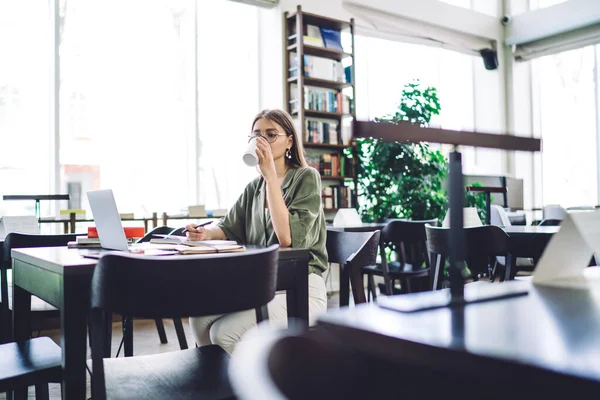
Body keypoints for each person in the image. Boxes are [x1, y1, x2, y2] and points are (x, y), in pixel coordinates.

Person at [186, 109, 328, 354]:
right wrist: (205, 234)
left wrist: (271, 177)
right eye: (256, 135)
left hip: (301, 290)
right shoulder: (254, 187)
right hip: (261, 286)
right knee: (199, 317)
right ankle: (216, 387)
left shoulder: (306, 177)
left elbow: (288, 239)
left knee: (224, 333)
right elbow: (228, 227)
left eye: (271, 135)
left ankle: (248, 386)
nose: (261, 141)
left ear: (289, 142)